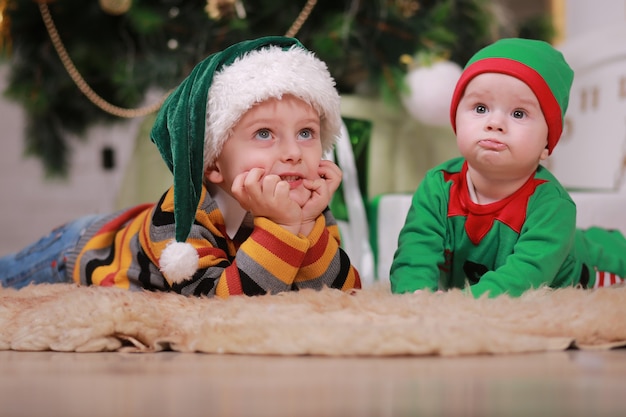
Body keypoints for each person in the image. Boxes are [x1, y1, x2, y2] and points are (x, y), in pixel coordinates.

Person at [0, 36, 361, 297]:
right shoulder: (182, 216)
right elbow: (221, 305)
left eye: (306, 133)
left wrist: (306, 225)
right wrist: (283, 228)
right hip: (80, 250)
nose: (293, 153)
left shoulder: (306, 206)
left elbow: (338, 295)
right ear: (213, 163)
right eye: (264, 133)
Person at [390, 37, 626, 298]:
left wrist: (458, 307)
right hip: (493, 275)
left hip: (588, 266)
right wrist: (413, 297)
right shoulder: (439, 187)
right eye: (480, 108)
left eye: (518, 114)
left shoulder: (551, 206)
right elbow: (415, 252)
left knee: (612, 254)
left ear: (546, 145)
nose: (495, 123)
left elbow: (522, 279)